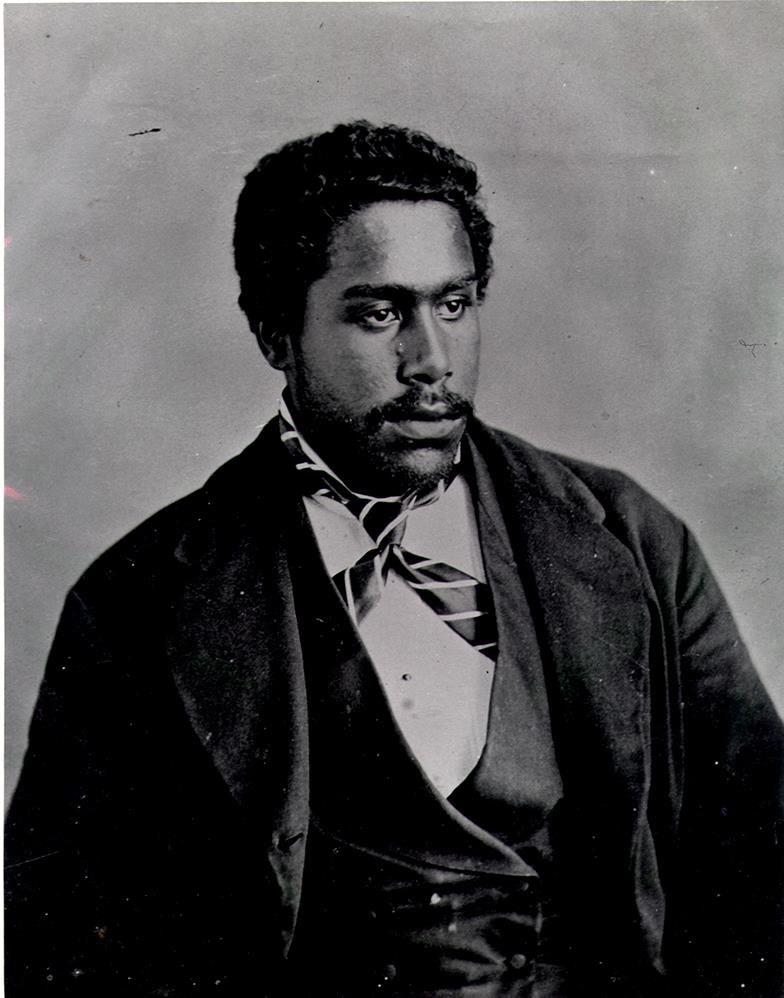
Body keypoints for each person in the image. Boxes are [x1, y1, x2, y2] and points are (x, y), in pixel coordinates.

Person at [5, 121, 783, 998]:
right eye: (381, 314)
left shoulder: (632, 538)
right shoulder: (138, 601)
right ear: (274, 333)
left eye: (454, 305)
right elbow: (61, 942)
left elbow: (761, 862)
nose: (433, 362)